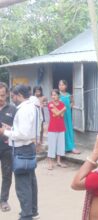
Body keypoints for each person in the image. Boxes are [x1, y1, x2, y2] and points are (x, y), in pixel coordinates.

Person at [0, 84, 39, 220]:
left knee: (23, 184)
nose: (12, 98)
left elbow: (22, 133)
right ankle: (32, 211)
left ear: (19, 95)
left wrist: (5, 131)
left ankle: (26, 215)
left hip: (22, 149)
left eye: (13, 96)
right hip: (28, 148)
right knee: (30, 181)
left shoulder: (22, 110)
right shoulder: (32, 107)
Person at [0, 82, 16, 212]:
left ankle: (3, 200)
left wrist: (9, 128)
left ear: (7, 95)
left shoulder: (12, 109)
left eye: (3, 95)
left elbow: (18, 128)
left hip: (6, 148)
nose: (0, 98)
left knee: (6, 175)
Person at [47, 89, 67, 170]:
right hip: (52, 128)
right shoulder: (50, 104)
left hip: (61, 127)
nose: (53, 96)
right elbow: (57, 113)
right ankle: (50, 163)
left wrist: (59, 110)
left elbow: (61, 115)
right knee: (52, 146)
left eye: (55, 95)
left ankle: (59, 161)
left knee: (60, 145)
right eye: (52, 95)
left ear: (58, 95)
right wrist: (63, 109)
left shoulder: (62, 104)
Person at [58, 80, 80, 154]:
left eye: (63, 85)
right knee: (62, 131)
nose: (61, 86)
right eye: (60, 85)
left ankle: (71, 147)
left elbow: (73, 103)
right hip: (60, 116)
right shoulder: (57, 95)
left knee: (69, 130)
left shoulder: (68, 95)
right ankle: (62, 148)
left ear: (66, 86)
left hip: (67, 115)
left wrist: (68, 108)